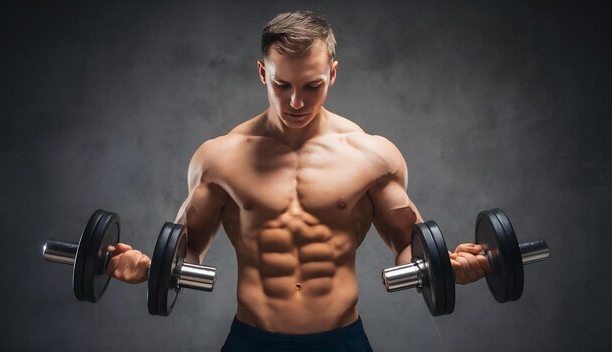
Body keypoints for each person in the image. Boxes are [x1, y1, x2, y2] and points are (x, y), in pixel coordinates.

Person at [106, 11, 491, 351]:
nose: (295, 102)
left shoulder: (372, 156)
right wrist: (146, 267)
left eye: (312, 86)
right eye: (282, 85)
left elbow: (410, 246)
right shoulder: (219, 158)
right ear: (262, 72)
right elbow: (186, 253)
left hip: (342, 340)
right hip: (252, 339)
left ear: (333, 74)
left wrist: (449, 266)